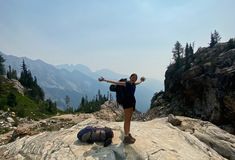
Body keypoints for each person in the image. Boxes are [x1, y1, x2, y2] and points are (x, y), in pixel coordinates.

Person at [98, 73, 145, 144]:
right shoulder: (126, 83)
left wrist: (141, 80)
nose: (134, 79)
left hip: (132, 103)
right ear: (130, 77)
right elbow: (115, 82)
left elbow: (138, 83)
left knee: (129, 120)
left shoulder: (133, 84)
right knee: (127, 120)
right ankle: (126, 137)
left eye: (135, 78)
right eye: (133, 77)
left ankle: (128, 133)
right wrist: (104, 80)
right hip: (127, 103)